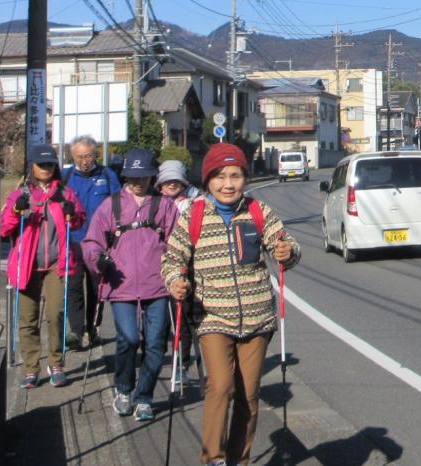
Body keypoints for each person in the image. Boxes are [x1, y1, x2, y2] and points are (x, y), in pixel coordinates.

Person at [162, 143, 300, 466]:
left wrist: (287, 252)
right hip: (211, 318)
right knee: (221, 385)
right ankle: (213, 458)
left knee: (248, 397)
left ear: (245, 179)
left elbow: (288, 246)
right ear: (208, 179)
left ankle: (240, 460)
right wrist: (175, 282)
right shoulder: (193, 216)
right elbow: (171, 260)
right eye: (220, 176)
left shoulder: (257, 212)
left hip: (257, 320)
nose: (228, 184)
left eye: (235, 176)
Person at [82, 148, 179, 422]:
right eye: (133, 176)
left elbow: (178, 242)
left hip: (158, 285)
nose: (138, 181)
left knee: (156, 344)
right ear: (125, 175)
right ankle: (124, 390)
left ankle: (144, 397)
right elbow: (92, 242)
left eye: (144, 176)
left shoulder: (165, 206)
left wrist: (179, 270)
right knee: (128, 338)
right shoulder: (111, 205)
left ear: (153, 176)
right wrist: (97, 260)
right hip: (120, 285)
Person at [1, 144, 85, 389]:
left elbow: (78, 222)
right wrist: (17, 212)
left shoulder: (65, 193)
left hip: (56, 264)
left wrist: (72, 213)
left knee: (56, 313)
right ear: (32, 167)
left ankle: (56, 363)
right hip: (26, 265)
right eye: (41, 164)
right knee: (27, 318)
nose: (46, 169)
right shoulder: (21, 194)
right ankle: (30, 368)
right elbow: (5, 227)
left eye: (50, 164)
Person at [62, 135, 121, 350]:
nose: (84, 161)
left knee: (97, 288)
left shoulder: (108, 175)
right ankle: (77, 332)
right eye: (79, 157)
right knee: (74, 287)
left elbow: (118, 205)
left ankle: (93, 328)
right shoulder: (66, 176)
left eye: (88, 156)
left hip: (100, 242)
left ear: (95, 154)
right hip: (73, 241)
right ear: (73, 156)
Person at [156, 159, 202, 382]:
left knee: (182, 317)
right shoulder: (152, 202)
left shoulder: (195, 203)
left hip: (187, 267)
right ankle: (159, 360)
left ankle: (181, 364)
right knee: (160, 321)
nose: (171, 184)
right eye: (167, 180)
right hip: (156, 269)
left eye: (176, 179)